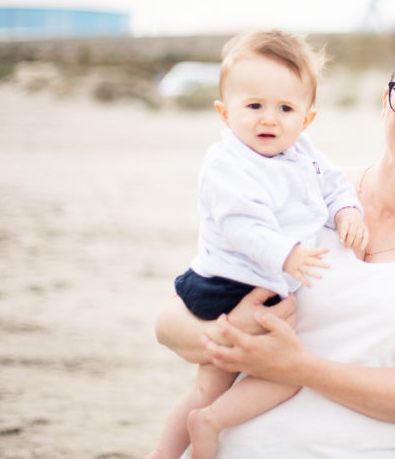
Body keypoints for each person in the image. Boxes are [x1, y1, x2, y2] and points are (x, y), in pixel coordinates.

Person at [154, 30, 395, 458]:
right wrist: (232, 332)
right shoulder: (300, 191)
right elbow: (168, 325)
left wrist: (300, 368)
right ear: (386, 101)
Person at [147, 30, 370, 459]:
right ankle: (178, 443)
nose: (269, 119)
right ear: (225, 113)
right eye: (254, 106)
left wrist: (347, 213)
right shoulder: (227, 163)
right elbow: (242, 226)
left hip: (264, 287)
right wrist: (287, 253)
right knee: (275, 376)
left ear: (306, 119)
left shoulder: (303, 152)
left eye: (285, 108)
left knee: (238, 383)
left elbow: (335, 184)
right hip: (224, 286)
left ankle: (207, 421)